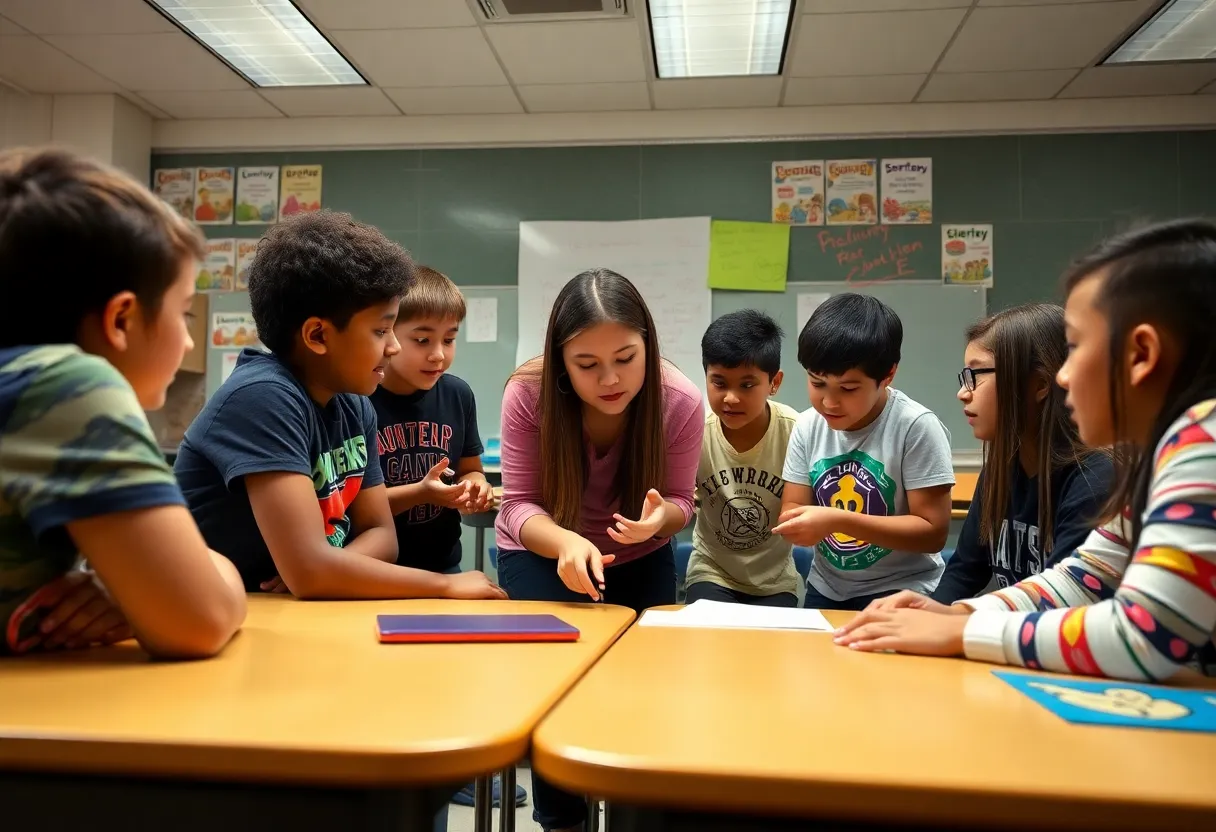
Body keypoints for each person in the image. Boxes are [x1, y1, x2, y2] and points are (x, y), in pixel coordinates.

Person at [836, 219, 1216, 682]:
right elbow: (1082, 578)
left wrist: (963, 635)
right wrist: (958, 614)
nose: (1062, 376)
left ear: (1141, 354)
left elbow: (1142, 637)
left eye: (1075, 347)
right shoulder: (1158, 458)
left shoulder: (1205, 441)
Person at [175, 211, 504, 602]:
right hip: (223, 603)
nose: (393, 346)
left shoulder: (353, 403)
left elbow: (382, 538)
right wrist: (445, 585)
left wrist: (327, 568)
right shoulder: (262, 397)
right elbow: (313, 574)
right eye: (381, 331)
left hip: (293, 606)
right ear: (317, 335)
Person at [0, 147, 245, 658]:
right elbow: (201, 620)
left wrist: (125, 588)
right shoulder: (68, 386)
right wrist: (214, 572)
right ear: (121, 320)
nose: (189, 342)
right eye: (183, 313)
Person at [495, 268, 703, 832]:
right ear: (561, 361)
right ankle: (561, 821)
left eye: (626, 358)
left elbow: (684, 500)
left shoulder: (679, 401)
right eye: (586, 365)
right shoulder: (528, 395)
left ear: (648, 346)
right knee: (558, 688)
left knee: (640, 694)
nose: (610, 379)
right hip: (540, 554)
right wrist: (564, 541)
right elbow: (516, 506)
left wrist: (663, 520)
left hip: (639, 556)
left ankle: (637, 813)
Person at [368, 265, 525, 815]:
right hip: (379, 572)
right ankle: (405, 768)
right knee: (390, 685)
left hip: (443, 561)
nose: (439, 355)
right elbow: (356, 505)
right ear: (388, 339)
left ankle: (449, 766)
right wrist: (422, 493)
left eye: (449, 340)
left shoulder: (456, 395)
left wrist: (476, 488)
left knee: (442, 676)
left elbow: (471, 468)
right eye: (422, 341)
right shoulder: (362, 400)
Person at [774, 293, 954, 610]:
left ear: (888, 376)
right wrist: (796, 525)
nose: (829, 402)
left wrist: (836, 520)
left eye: (848, 389)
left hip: (904, 591)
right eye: (817, 384)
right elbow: (793, 507)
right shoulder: (806, 426)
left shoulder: (915, 427)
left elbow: (932, 532)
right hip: (827, 588)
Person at [932, 304, 1112, 603]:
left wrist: (956, 621)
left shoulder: (1094, 482)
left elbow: (1058, 604)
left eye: (976, 374)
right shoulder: (1001, 469)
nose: (964, 392)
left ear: (1040, 384)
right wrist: (925, 614)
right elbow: (964, 571)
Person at [686, 310, 801, 606]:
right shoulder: (694, 433)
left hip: (775, 581)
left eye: (747, 385)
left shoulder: (797, 432)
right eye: (720, 383)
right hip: (712, 572)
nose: (731, 398)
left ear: (774, 382)